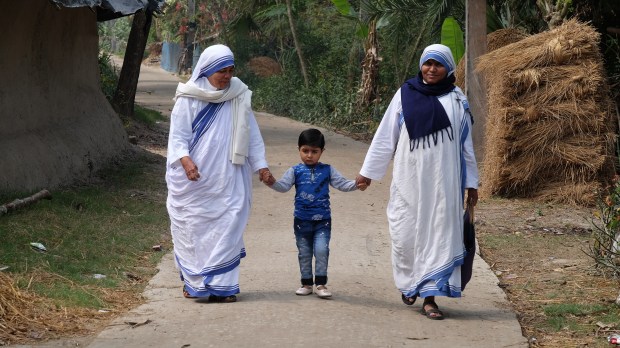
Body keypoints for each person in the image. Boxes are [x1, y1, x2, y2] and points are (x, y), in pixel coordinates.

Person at [356, 44, 479, 320]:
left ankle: (429, 298)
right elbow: (386, 135)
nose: (432, 69)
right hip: (408, 180)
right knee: (404, 234)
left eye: (438, 64)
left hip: (443, 186)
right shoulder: (405, 95)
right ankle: (409, 283)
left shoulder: (457, 101)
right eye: (428, 63)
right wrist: (367, 173)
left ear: (448, 68)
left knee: (437, 236)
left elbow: (466, 146)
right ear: (421, 65)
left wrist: (472, 183)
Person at [165, 44, 271, 303]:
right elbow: (178, 137)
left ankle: (224, 286)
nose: (226, 76)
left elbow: (251, 133)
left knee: (229, 223)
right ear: (207, 70)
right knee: (193, 228)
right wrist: (186, 161)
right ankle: (194, 283)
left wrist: (261, 165)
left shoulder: (238, 94)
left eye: (230, 70)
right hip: (195, 182)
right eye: (221, 71)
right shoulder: (188, 98)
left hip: (230, 177)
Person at [262, 128, 367, 298]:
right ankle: (306, 283)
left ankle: (320, 284)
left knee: (321, 250)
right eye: (305, 151)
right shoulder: (294, 171)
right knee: (304, 252)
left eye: (314, 151)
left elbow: (342, 184)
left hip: (323, 221)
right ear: (299, 149)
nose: (309, 155)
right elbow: (283, 187)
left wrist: (357, 184)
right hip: (301, 220)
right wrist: (271, 182)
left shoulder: (328, 170)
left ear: (322, 152)